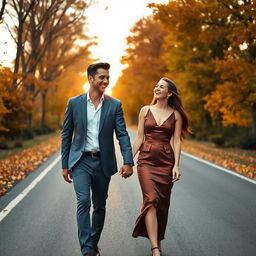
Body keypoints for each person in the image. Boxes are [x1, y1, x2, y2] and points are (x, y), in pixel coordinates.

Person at [61, 62, 134, 256]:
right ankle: (87, 250)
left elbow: (123, 134)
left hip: (103, 162)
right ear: (90, 79)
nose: (106, 81)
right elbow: (66, 134)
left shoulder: (115, 105)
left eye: (108, 77)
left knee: (100, 205)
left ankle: (93, 242)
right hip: (81, 161)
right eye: (102, 77)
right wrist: (65, 164)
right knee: (83, 201)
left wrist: (128, 160)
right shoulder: (74, 103)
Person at [131, 77, 189, 256]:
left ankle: (157, 239)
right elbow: (139, 137)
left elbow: (177, 141)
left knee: (162, 205)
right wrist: (127, 161)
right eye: (156, 85)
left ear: (169, 93)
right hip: (146, 162)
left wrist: (176, 166)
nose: (156, 88)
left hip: (165, 163)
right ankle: (155, 248)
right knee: (151, 200)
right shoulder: (145, 110)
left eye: (161, 87)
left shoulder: (176, 114)